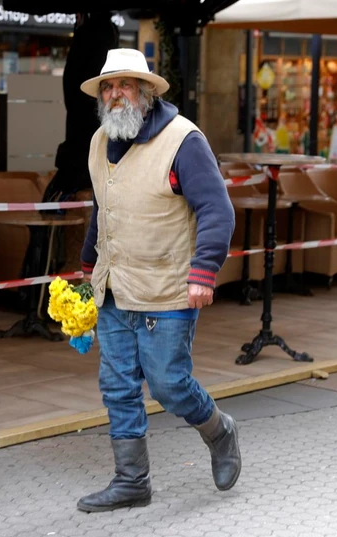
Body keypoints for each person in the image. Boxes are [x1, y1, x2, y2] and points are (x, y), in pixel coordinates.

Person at [76, 48, 240, 513]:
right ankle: (131, 481)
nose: (115, 94)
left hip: (166, 290)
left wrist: (204, 272)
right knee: (117, 386)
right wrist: (87, 267)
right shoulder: (99, 141)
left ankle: (219, 431)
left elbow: (217, 210)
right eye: (108, 87)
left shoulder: (183, 140)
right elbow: (103, 208)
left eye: (125, 85)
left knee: (168, 384)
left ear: (146, 91)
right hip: (114, 287)